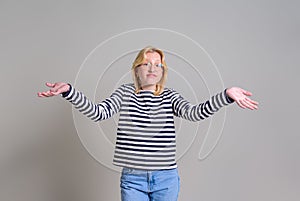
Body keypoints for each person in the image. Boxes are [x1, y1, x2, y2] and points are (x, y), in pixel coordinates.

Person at [37, 46, 258, 201]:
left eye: (157, 65)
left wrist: (226, 95)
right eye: (146, 63)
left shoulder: (169, 96)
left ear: (162, 72)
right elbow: (99, 112)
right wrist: (69, 91)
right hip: (133, 179)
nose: (152, 68)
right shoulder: (124, 93)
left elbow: (195, 113)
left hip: (166, 178)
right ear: (136, 69)